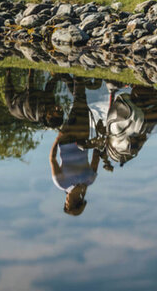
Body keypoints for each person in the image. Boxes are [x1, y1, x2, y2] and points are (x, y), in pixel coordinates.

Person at [49, 76, 100, 215]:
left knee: (79, 102)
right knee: (80, 102)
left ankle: (78, 76)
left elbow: (52, 159)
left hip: (66, 139)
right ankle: (76, 77)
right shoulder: (89, 179)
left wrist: (58, 138)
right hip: (82, 137)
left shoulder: (61, 183)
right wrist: (98, 143)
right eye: (67, 203)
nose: (65, 200)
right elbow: (96, 156)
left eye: (65, 203)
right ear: (75, 201)